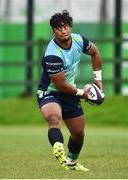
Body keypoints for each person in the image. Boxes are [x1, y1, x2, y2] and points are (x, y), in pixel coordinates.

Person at [37, 10, 103, 171]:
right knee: (54, 118)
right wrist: (83, 94)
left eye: (65, 26)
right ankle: (58, 146)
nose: (63, 30)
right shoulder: (52, 55)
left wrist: (98, 79)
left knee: (79, 133)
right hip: (50, 92)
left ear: (70, 27)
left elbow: (95, 52)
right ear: (53, 31)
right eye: (58, 28)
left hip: (70, 92)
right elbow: (61, 86)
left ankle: (72, 163)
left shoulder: (79, 40)